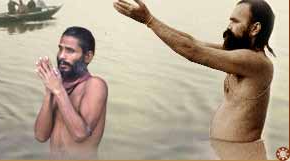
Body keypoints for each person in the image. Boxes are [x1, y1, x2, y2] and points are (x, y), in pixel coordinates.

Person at [114, 0, 275, 154]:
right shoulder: (239, 56)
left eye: (235, 22)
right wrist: (150, 19)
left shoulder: (256, 62)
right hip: (228, 151)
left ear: (255, 28)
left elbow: (192, 51)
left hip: (241, 155)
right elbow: (193, 42)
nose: (228, 27)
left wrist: (149, 20)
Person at [34, 26, 108, 159]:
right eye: (60, 49)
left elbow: (80, 134)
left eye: (70, 51)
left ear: (87, 57)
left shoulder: (95, 85)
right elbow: (40, 136)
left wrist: (58, 90)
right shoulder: (58, 86)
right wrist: (49, 92)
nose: (62, 56)